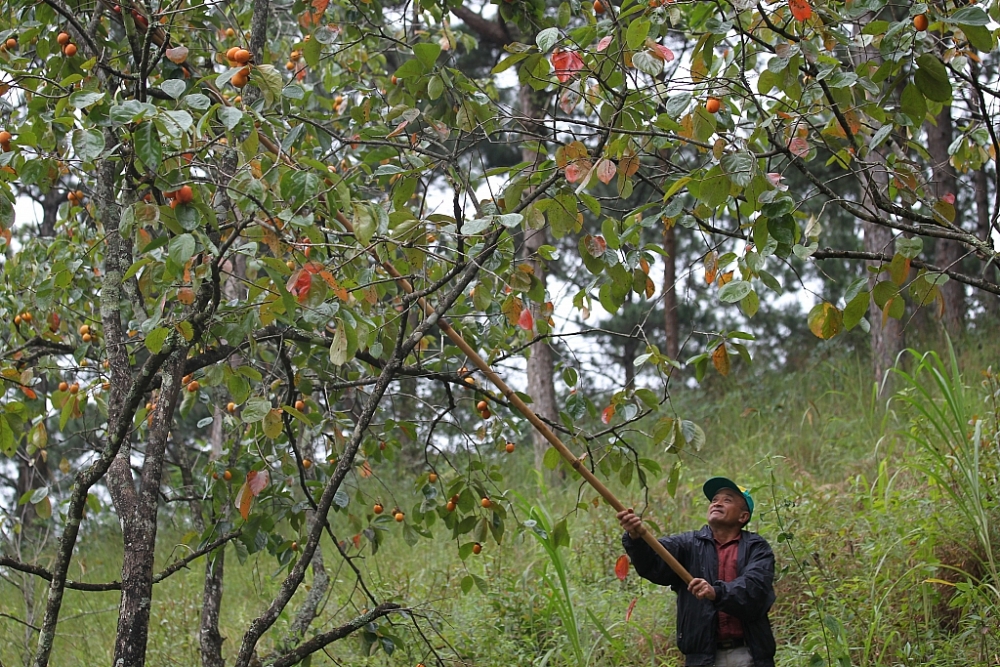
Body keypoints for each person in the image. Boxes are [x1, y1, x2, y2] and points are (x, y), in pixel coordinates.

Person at [617, 477, 776, 667]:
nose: (717, 503)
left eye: (727, 500)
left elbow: (754, 589)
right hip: (702, 659)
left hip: (749, 654)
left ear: (743, 516)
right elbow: (654, 564)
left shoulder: (757, 548)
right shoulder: (687, 544)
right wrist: (636, 537)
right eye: (714, 500)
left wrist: (716, 592)